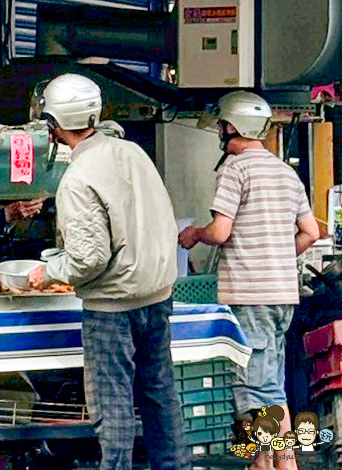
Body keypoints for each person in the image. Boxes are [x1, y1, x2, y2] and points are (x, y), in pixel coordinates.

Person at [27, 73, 187, 470]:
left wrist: (47, 271)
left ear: (53, 124)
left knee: (112, 403)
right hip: (158, 294)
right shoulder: (132, 152)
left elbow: (88, 259)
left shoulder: (77, 178)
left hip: (112, 306)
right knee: (159, 393)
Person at [179, 92, 320, 470]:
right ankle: (260, 463)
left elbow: (221, 231)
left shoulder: (235, 169)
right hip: (281, 296)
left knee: (258, 385)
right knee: (261, 378)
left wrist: (194, 233)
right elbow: (310, 232)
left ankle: (285, 462)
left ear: (230, 127)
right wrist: (276, 257)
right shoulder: (286, 172)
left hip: (250, 294)